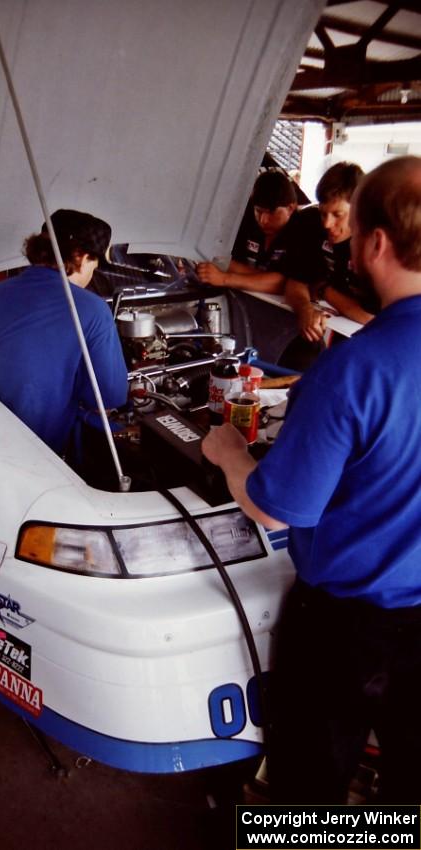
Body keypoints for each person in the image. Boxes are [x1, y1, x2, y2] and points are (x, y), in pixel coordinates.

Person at [201, 155, 421, 804]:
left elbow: (276, 511)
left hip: (344, 629)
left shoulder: (353, 369)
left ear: (375, 242)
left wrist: (225, 452)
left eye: (352, 232)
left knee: (308, 789)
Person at [0, 209, 128, 455]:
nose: (93, 273)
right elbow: (109, 397)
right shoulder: (90, 308)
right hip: (35, 454)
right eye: (94, 264)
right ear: (80, 257)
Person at [283, 161, 377, 345]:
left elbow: (371, 318)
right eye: (323, 213)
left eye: (338, 214)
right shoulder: (310, 224)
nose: (327, 223)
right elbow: (295, 282)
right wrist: (305, 309)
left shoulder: (378, 245)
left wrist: (324, 291)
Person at [196, 171, 299, 294]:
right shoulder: (246, 218)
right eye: (259, 211)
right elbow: (226, 263)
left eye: (271, 213)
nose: (263, 220)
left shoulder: (300, 230)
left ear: (290, 208)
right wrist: (265, 278)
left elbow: (284, 284)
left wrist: (224, 278)